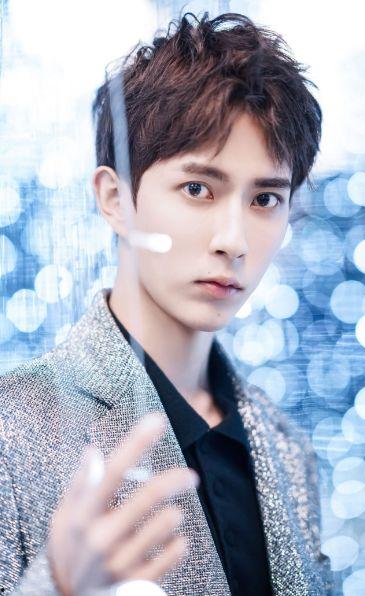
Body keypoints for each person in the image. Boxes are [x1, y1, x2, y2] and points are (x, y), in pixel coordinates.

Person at [0, 10, 332, 596]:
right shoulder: (13, 430)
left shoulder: (288, 450)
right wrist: (57, 587)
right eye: (197, 189)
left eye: (264, 199)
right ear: (115, 198)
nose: (233, 240)